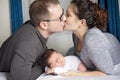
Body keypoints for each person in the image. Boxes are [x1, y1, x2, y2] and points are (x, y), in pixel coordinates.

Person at [0, 0, 66, 80]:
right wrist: (43, 65)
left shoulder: (34, 29)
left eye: (62, 12)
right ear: (44, 25)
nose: (64, 18)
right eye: (60, 18)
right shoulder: (29, 43)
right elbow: (19, 78)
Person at [64, 0, 120, 76]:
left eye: (68, 15)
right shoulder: (75, 36)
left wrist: (76, 74)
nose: (63, 18)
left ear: (82, 22)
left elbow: (107, 72)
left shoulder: (92, 41)